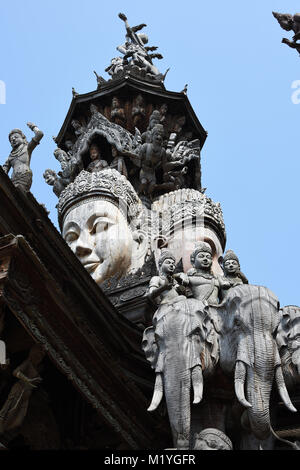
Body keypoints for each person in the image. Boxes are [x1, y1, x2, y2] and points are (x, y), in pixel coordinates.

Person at [3, 123, 44, 192]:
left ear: (23, 138)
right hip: (13, 179)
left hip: (24, 175)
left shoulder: (27, 148)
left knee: (19, 193)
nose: (13, 139)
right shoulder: (10, 157)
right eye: (11, 140)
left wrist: (33, 127)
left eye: (16, 137)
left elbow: (40, 134)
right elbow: (4, 172)